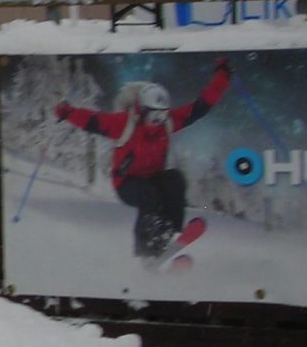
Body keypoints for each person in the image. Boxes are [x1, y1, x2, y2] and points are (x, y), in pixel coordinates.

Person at [53, 58, 231, 263]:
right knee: (150, 197)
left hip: (152, 178)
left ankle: (171, 234)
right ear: (142, 111)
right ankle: (146, 251)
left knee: (174, 180)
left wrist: (222, 76)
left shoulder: (166, 123)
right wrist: (67, 113)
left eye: (162, 116)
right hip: (126, 183)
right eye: (154, 116)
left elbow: (201, 107)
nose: (158, 121)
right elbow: (92, 120)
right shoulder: (123, 123)